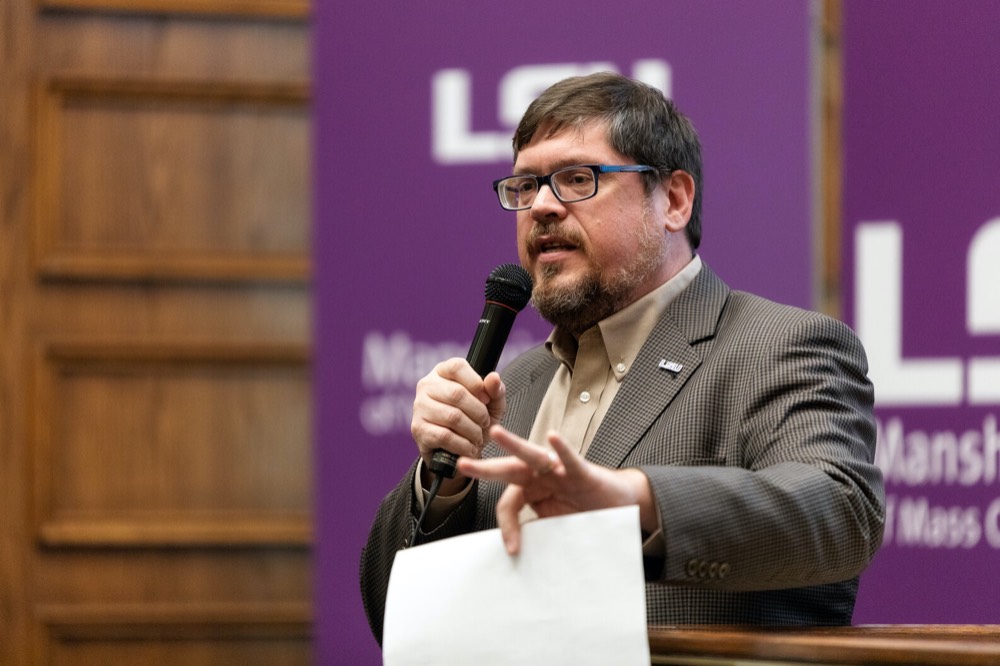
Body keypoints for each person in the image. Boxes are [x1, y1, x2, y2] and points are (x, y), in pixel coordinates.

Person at [360, 72, 885, 644]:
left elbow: (843, 512)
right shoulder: (516, 383)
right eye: (526, 185)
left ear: (674, 200)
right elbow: (394, 613)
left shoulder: (778, 346)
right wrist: (442, 487)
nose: (541, 206)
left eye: (576, 179)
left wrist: (635, 499)